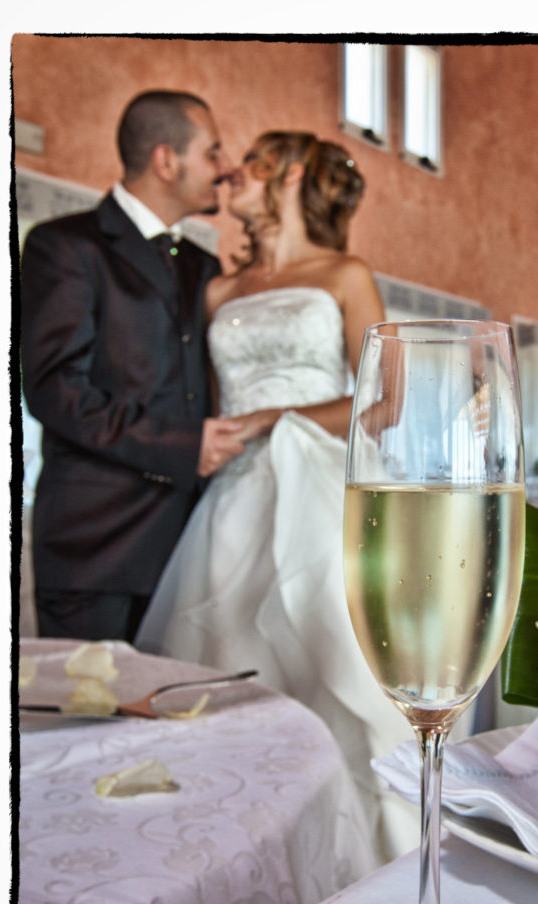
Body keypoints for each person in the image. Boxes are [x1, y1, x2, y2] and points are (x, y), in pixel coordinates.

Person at [135, 131, 416, 863]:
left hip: (316, 487)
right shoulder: (219, 290)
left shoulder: (345, 274)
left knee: (328, 663)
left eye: (248, 165)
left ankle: (363, 860)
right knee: (224, 672)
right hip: (231, 503)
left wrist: (275, 419)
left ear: (288, 174)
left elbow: (385, 400)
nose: (231, 176)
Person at [21, 90, 243, 642]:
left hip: (191, 547)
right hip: (96, 544)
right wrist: (184, 444)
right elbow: (54, 390)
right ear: (166, 160)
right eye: (212, 152)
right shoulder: (65, 247)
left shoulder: (205, 264)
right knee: (89, 722)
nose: (225, 168)